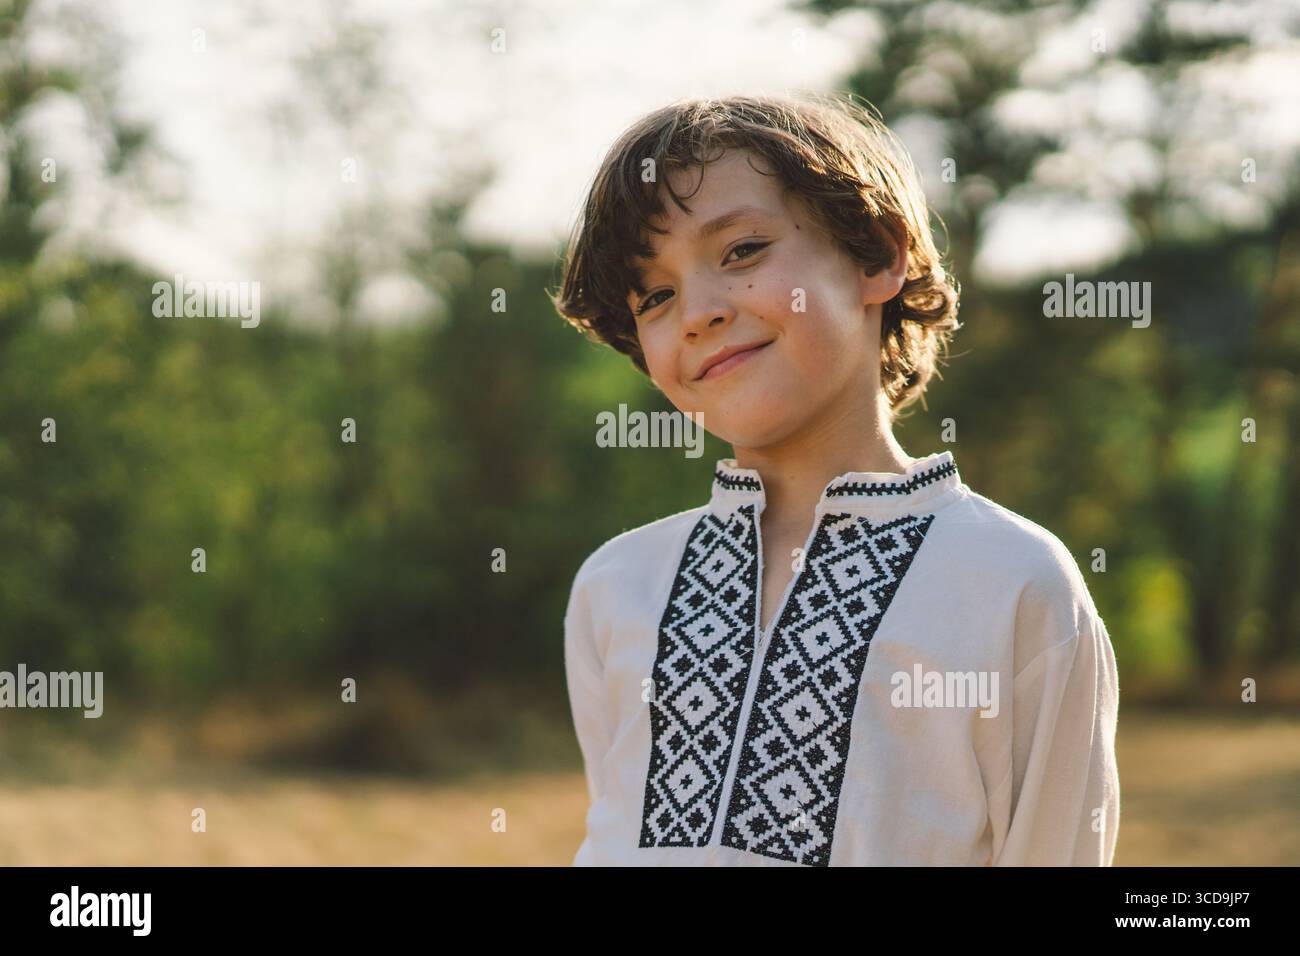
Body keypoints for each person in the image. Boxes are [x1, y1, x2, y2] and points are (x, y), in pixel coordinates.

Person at [550, 93, 1120, 866]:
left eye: (742, 251)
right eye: (655, 295)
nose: (697, 313)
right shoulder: (615, 587)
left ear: (876, 256)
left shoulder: (1012, 582)